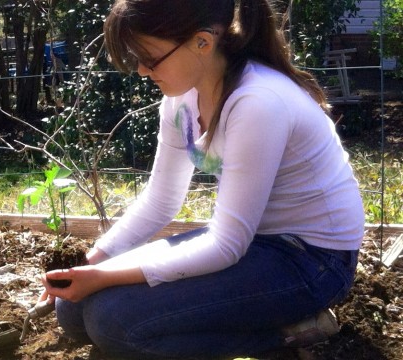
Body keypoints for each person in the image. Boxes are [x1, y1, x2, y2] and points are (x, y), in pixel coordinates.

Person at [39, 0, 364, 358]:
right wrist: (94, 260)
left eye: (151, 57)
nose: (143, 71)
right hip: (256, 242)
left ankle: (290, 332)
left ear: (202, 42)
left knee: (113, 323)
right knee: (71, 309)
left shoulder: (258, 102)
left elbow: (227, 244)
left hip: (313, 260)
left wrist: (106, 277)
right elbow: (160, 200)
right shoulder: (183, 99)